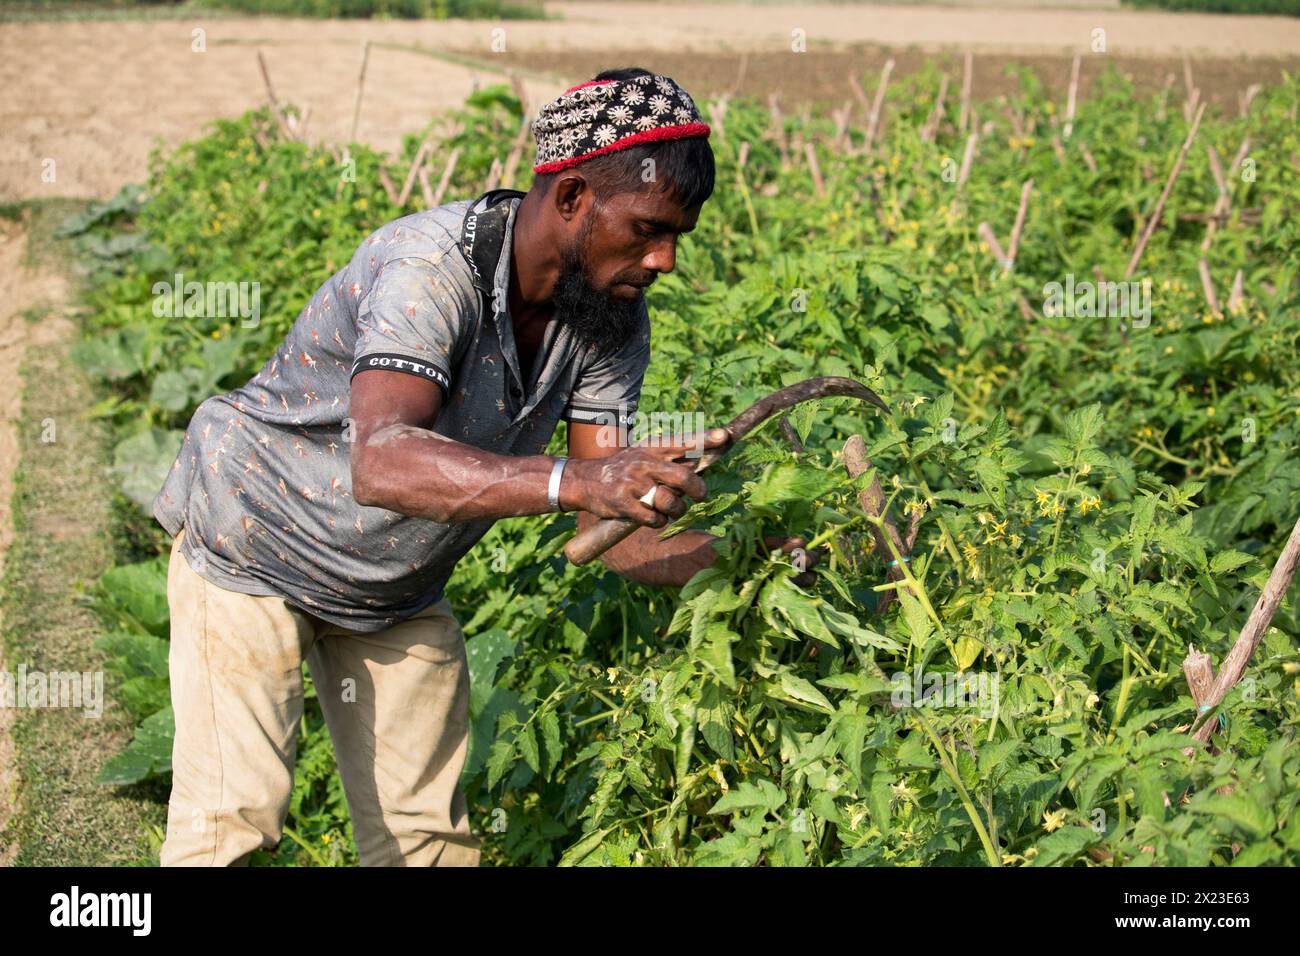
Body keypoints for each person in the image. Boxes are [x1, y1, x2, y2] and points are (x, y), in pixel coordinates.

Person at [152, 66, 813, 867]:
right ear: (572, 197)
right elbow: (384, 462)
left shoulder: (609, 319)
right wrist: (584, 479)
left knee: (430, 842)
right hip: (256, 542)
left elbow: (607, 532)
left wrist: (745, 557)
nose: (664, 260)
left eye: (679, 236)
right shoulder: (433, 267)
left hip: (393, 583)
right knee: (234, 823)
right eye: (646, 228)